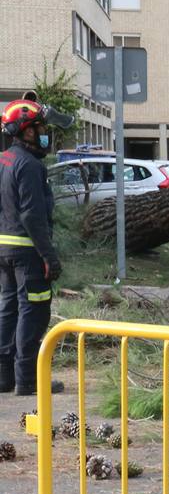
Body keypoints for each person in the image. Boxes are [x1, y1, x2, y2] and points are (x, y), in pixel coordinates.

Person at [0, 95, 74, 397]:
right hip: (28, 252)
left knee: (9, 310)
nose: (45, 133)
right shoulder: (29, 165)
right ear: (26, 131)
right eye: (40, 127)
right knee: (35, 311)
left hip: (5, 250)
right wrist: (48, 256)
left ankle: (4, 378)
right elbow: (33, 214)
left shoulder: (4, 159)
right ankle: (28, 379)